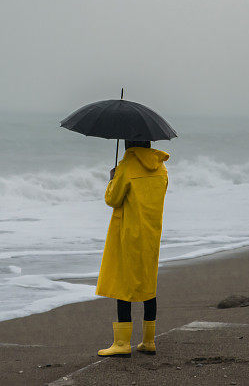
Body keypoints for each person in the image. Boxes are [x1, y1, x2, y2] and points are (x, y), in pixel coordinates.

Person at [95, 139, 169, 358]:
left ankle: (122, 343)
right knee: (148, 283)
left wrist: (113, 178)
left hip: (128, 232)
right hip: (151, 232)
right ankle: (148, 341)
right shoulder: (161, 168)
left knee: (123, 284)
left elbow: (112, 199)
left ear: (128, 144)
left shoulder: (126, 167)